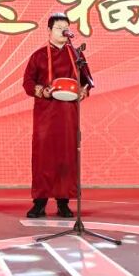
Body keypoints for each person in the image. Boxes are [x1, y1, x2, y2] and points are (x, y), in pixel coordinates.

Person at [21, 12, 90, 219]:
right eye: (59, 28)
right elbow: (28, 82)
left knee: (67, 156)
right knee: (44, 157)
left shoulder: (77, 55)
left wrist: (83, 91)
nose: (63, 31)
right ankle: (39, 202)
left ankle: (63, 202)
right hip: (46, 114)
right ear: (49, 30)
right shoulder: (39, 56)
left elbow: (87, 80)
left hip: (69, 114)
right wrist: (42, 91)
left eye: (66, 28)